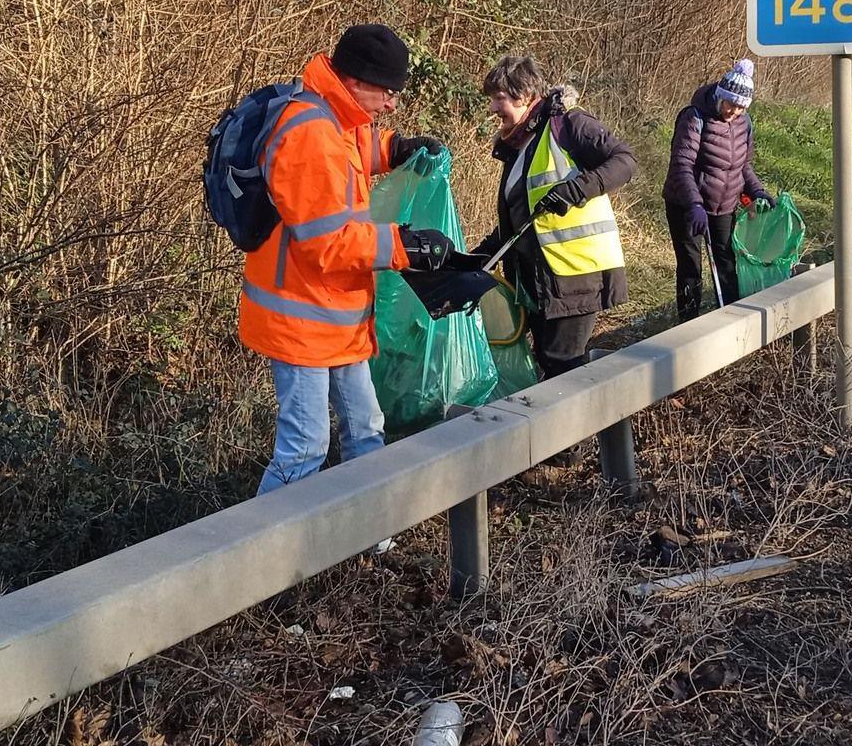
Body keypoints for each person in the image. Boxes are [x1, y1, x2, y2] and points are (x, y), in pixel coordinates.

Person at [239, 24, 451, 494]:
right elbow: (328, 243)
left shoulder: (336, 114)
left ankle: (370, 534)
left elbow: (354, 153)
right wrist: (403, 246)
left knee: (366, 427)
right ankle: (264, 557)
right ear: (358, 82)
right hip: (303, 318)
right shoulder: (309, 134)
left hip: (338, 314)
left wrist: (395, 149)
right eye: (390, 92)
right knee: (306, 446)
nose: (393, 103)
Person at [470, 55, 636, 378]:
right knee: (550, 365)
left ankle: (589, 426)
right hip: (538, 281)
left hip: (575, 276)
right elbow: (521, 219)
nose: (492, 109)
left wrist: (575, 190)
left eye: (498, 99)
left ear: (525, 96)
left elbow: (625, 161)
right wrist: (477, 256)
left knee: (562, 368)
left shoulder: (568, 125)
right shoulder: (519, 146)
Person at [665, 59, 777, 320]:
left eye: (740, 107)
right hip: (687, 205)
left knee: (726, 261)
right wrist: (694, 204)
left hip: (724, 205)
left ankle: (730, 321)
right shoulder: (694, 117)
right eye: (730, 104)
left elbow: (743, 166)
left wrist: (757, 191)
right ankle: (688, 323)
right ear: (720, 96)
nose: (733, 111)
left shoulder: (744, 123)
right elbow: (682, 164)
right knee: (691, 265)